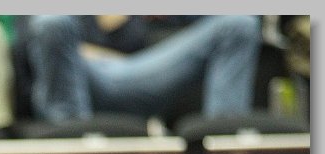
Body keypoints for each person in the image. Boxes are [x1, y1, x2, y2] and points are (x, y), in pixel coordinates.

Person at [15, 15, 262, 124]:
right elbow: (29, 42)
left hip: (142, 71)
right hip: (80, 73)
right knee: (52, 23)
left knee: (239, 25)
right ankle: (71, 147)